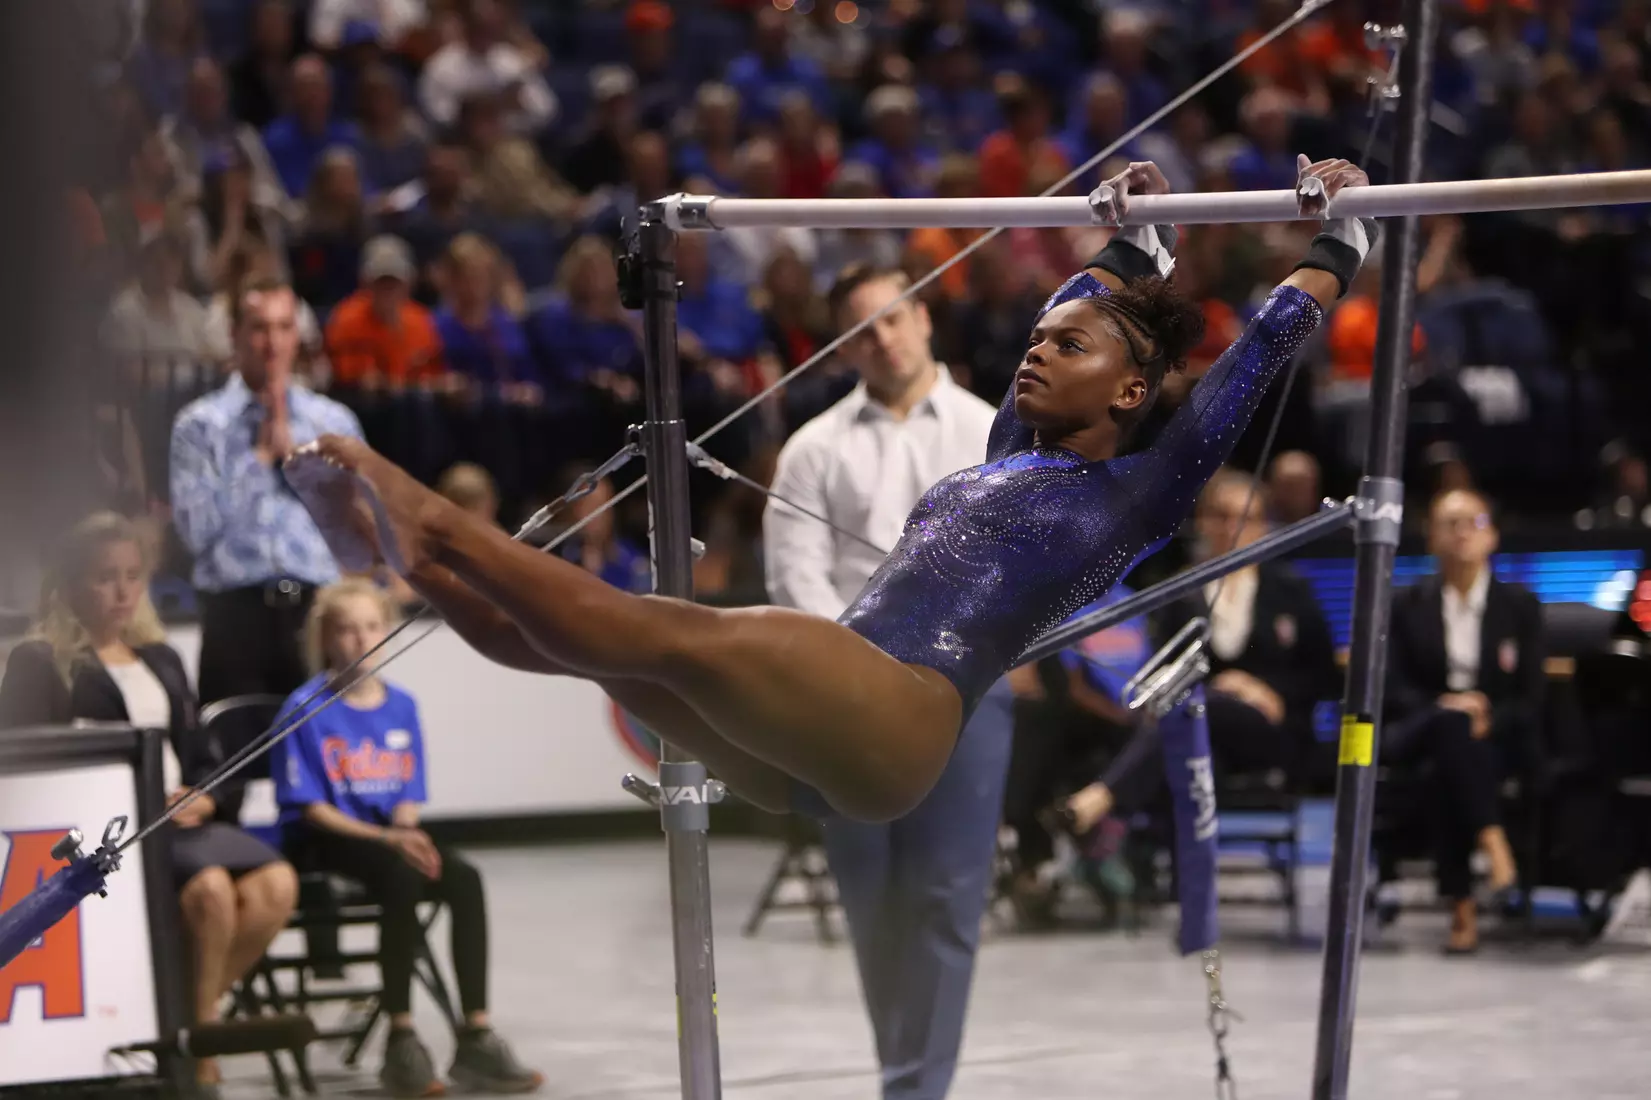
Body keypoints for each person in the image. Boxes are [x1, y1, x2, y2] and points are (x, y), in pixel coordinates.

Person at [279, 157, 1376, 829]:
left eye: (1068, 344)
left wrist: (1340, 236)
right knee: (590, 656)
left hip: (898, 710)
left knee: (656, 631)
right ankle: (411, 563)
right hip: (826, 733)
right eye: (1036, 339)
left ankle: (427, 514)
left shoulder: (1139, 491)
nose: (1036, 352)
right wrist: (1133, 244)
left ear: (1133, 390)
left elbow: (1255, 358)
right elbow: (1082, 301)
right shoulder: (1007, 450)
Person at [762, 262, 1004, 1100]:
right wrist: (865, 665)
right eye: (862, 329)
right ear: (842, 347)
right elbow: (794, 576)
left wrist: (944, 653)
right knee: (870, 899)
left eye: (894, 318)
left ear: (923, 318)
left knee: (945, 897)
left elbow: (1009, 565)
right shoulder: (813, 448)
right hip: (847, 698)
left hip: (964, 689)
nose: (883, 338)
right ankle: (904, 1075)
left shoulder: (988, 432)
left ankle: (915, 1088)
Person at [0, 512, 297, 1100]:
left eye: (133, 576)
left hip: (185, 823)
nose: (122, 591)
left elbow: (204, 755)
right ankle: (200, 1057)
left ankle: (185, 1026)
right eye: (104, 577)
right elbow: (25, 766)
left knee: (277, 884)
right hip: (111, 834)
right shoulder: (40, 661)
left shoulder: (161, 657)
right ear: (70, 583)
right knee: (212, 892)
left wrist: (206, 797)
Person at [270, 580, 542, 1097]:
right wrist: (389, 839)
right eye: (347, 630)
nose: (361, 640)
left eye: (372, 627)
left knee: (463, 877)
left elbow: (408, 794)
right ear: (325, 638)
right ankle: (401, 1036)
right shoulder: (303, 707)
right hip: (325, 839)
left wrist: (404, 833)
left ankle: (476, 1032)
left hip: (387, 836)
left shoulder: (402, 706)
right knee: (401, 875)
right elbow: (311, 808)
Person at [170, 277, 364, 706]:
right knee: (233, 742)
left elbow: (357, 531)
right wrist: (257, 460)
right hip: (233, 612)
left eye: (283, 327)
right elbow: (194, 533)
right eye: (259, 328)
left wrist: (302, 470)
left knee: (322, 743)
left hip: (318, 612)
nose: (272, 343)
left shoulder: (333, 422)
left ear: (297, 335)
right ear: (235, 334)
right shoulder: (199, 425)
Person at [1384, 488, 1546, 954]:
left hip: (1494, 739)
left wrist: (1485, 715)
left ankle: (1463, 908)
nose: (1461, 534)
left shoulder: (1519, 605)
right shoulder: (1406, 604)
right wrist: (1450, 705)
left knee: (1448, 768)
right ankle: (1492, 840)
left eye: (1472, 522)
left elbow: (1530, 696)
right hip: (1423, 727)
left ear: (1491, 535)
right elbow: (1394, 688)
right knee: (1448, 728)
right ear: (1431, 537)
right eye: (1449, 524)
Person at [1160, 469, 1341, 788]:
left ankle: (1103, 800)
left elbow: (1321, 672)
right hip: (1203, 725)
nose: (1234, 528)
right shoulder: (1181, 591)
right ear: (1202, 522)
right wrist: (1222, 686)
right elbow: (1164, 667)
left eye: (1247, 518)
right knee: (1194, 731)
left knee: (1190, 722)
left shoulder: (1290, 590)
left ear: (1264, 526)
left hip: (1274, 729)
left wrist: (1258, 690)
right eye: (1223, 517)